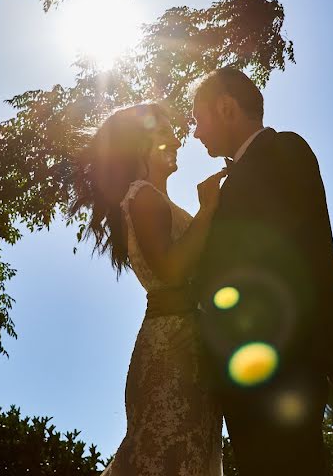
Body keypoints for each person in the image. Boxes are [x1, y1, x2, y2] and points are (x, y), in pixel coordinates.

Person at [191, 67, 333, 476]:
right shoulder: (230, 183)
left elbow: (301, 251)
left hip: (287, 361)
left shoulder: (285, 151)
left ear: (227, 108)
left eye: (199, 120)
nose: (196, 134)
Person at [71, 103, 225, 476]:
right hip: (171, 349)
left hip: (187, 343)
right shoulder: (143, 196)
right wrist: (208, 211)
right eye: (165, 132)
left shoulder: (159, 200)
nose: (177, 140)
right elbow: (171, 271)